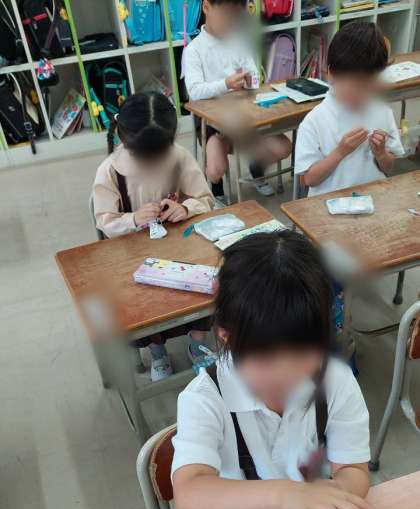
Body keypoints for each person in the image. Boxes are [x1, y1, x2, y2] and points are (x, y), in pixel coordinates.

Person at [163, 230, 391, 509]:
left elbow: (353, 470)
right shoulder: (205, 399)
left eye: (303, 352)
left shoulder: (336, 381)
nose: (287, 373)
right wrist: (285, 496)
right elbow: (190, 497)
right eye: (266, 358)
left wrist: (332, 498)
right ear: (226, 335)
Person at [93, 92, 215, 381]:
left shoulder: (179, 158)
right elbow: (105, 220)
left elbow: (205, 198)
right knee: (141, 302)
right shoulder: (111, 171)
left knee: (208, 285)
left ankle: (197, 344)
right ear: (125, 141)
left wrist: (185, 207)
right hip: (132, 255)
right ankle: (157, 351)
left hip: (181, 247)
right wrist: (133, 219)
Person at [183, 0, 292, 202]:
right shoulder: (193, 50)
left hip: (246, 113)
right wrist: (226, 84)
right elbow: (195, 91)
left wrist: (251, 81)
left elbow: (254, 75)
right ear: (206, 8)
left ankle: (257, 169)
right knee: (215, 170)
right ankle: (217, 189)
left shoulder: (238, 41)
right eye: (224, 15)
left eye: (234, 17)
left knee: (284, 148)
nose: (229, 22)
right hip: (212, 121)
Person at [295, 21, 404, 197]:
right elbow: (308, 179)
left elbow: (388, 167)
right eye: (353, 86)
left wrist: (381, 153)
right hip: (328, 207)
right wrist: (340, 152)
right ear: (331, 74)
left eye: (367, 86)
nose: (360, 94)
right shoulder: (314, 121)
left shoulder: (382, 112)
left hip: (373, 200)